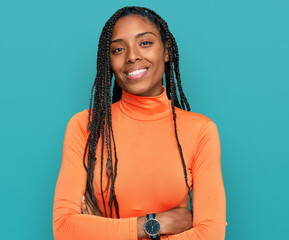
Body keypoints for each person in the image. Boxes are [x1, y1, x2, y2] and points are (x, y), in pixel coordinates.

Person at [52, 6, 226, 240]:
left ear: (166, 51)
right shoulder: (85, 126)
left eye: (145, 43)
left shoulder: (200, 131)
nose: (131, 56)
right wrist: (155, 223)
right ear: (110, 61)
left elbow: (210, 235)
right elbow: (64, 229)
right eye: (118, 49)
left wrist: (102, 230)